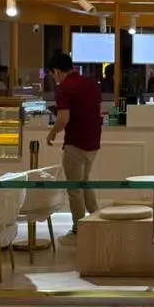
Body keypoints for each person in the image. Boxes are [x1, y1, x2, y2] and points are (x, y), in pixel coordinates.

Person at [46, 53, 104, 237]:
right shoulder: (91, 84)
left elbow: (63, 118)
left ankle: (79, 228)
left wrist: (52, 132)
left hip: (75, 144)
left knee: (74, 188)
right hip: (93, 142)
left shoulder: (64, 88)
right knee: (86, 182)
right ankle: (96, 221)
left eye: (53, 74)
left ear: (57, 71)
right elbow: (98, 111)